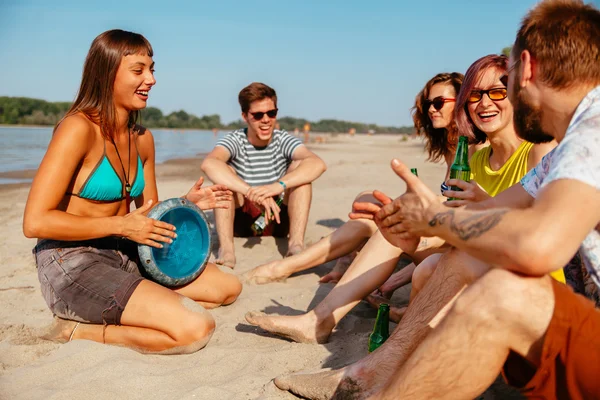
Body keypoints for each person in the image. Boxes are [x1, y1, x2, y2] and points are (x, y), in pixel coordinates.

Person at [276, 1, 600, 398]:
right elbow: (490, 214)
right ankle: (369, 375)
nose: (497, 97)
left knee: (503, 294)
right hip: (583, 322)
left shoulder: (594, 131)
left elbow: (537, 246)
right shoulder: (566, 151)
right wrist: (413, 226)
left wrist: (434, 221)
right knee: (465, 257)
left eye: (507, 80)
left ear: (527, 68)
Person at [243, 55, 557, 349]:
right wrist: (416, 218)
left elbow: (544, 228)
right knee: (393, 227)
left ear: (517, 94)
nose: (484, 102)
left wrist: (476, 204)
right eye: (475, 95)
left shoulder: (536, 150)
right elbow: (462, 233)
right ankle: (319, 320)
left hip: (519, 271)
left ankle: (393, 335)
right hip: (473, 253)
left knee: (425, 266)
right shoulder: (477, 159)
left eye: (497, 92)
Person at [23, 29, 242, 354]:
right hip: (71, 261)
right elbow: (35, 223)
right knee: (195, 328)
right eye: (138, 70)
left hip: (125, 250)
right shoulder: (78, 128)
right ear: (106, 72)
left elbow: (148, 213)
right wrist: (121, 226)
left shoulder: (143, 138)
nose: (151, 79)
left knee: (227, 287)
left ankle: (140, 301)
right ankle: (74, 331)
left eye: (152, 69)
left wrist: (185, 204)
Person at [244, 73, 472, 285]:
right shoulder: (450, 148)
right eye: (428, 104)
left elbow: (464, 221)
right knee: (367, 199)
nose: (432, 109)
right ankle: (344, 257)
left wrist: (396, 279)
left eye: (439, 103)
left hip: (453, 249)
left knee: (368, 220)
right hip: (440, 240)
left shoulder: (473, 150)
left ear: (460, 102)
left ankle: (283, 267)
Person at [201, 82, 327, 269]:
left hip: (277, 215)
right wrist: (250, 191)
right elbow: (209, 164)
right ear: (245, 116)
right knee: (224, 175)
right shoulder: (235, 139)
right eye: (258, 115)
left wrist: (277, 187)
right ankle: (227, 251)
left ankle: (295, 246)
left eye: (271, 113)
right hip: (242, 218)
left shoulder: (283, 139)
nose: (266, 119)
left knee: (301, 172)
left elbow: (318, 164)